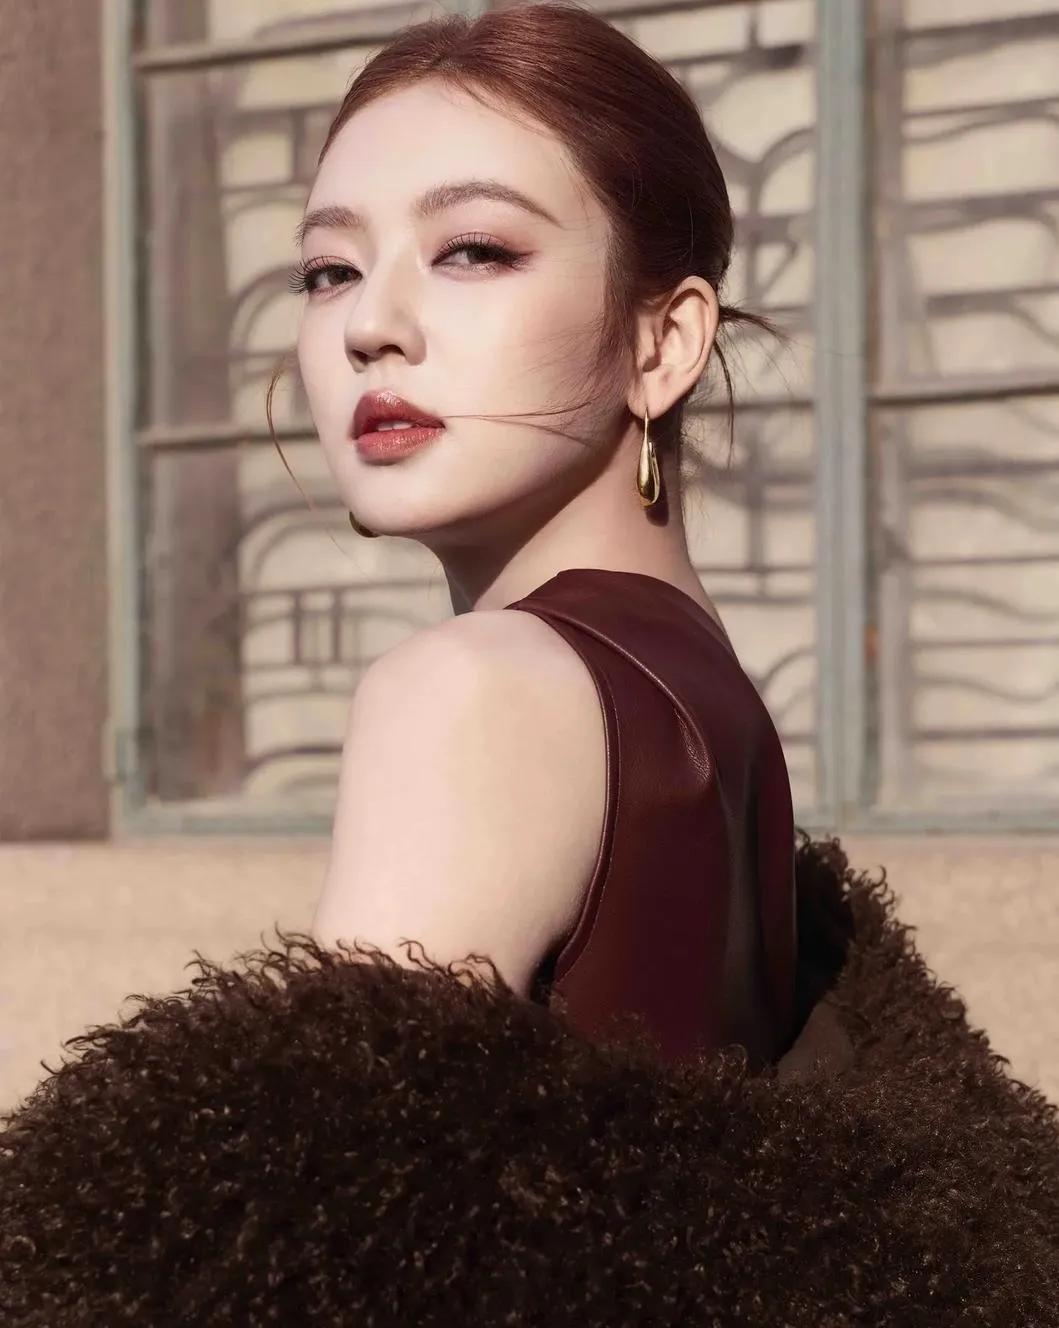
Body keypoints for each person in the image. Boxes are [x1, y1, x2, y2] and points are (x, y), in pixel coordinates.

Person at [1, 5, 1056, 1322]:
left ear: (662, 343)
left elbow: (310, 1248)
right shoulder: (711, 699)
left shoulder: (477, 692)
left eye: (475, 249)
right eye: (327, 270)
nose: (371, 325)